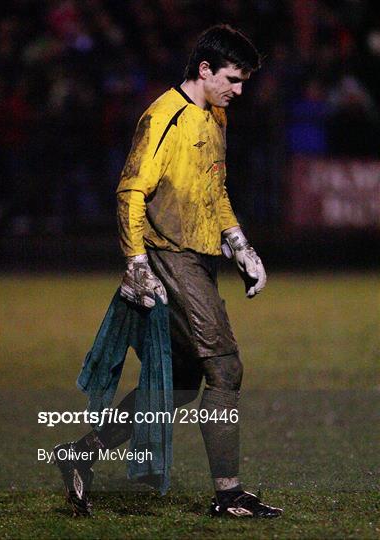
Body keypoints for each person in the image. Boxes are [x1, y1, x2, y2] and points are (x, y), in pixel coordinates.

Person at [54, 24, 283, 519]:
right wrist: (136, 264)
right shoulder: (164, 117)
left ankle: (79, 455)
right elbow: (130, 192)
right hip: (170, 258)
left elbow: (214, 188)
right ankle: (229, 494)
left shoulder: (215, 114)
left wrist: (237, 243)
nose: (238, 91)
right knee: (224, 367)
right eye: (232, 79)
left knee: (177, 385)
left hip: (201, 259)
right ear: (204, 70)